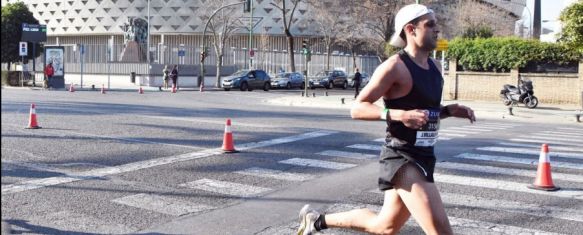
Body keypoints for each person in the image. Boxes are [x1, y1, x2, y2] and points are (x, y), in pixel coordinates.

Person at [297, 4, 476, 235]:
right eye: (430, 24)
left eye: (436, 24)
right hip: (402, 157)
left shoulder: (436, 67)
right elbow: (358, 107)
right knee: (441, 232)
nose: (437, 30)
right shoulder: (394, 67)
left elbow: (422, 113)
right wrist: (397, 115)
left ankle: (316, 221)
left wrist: (449, 111)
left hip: (425, 154)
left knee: (385, 226)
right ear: (411, 30)